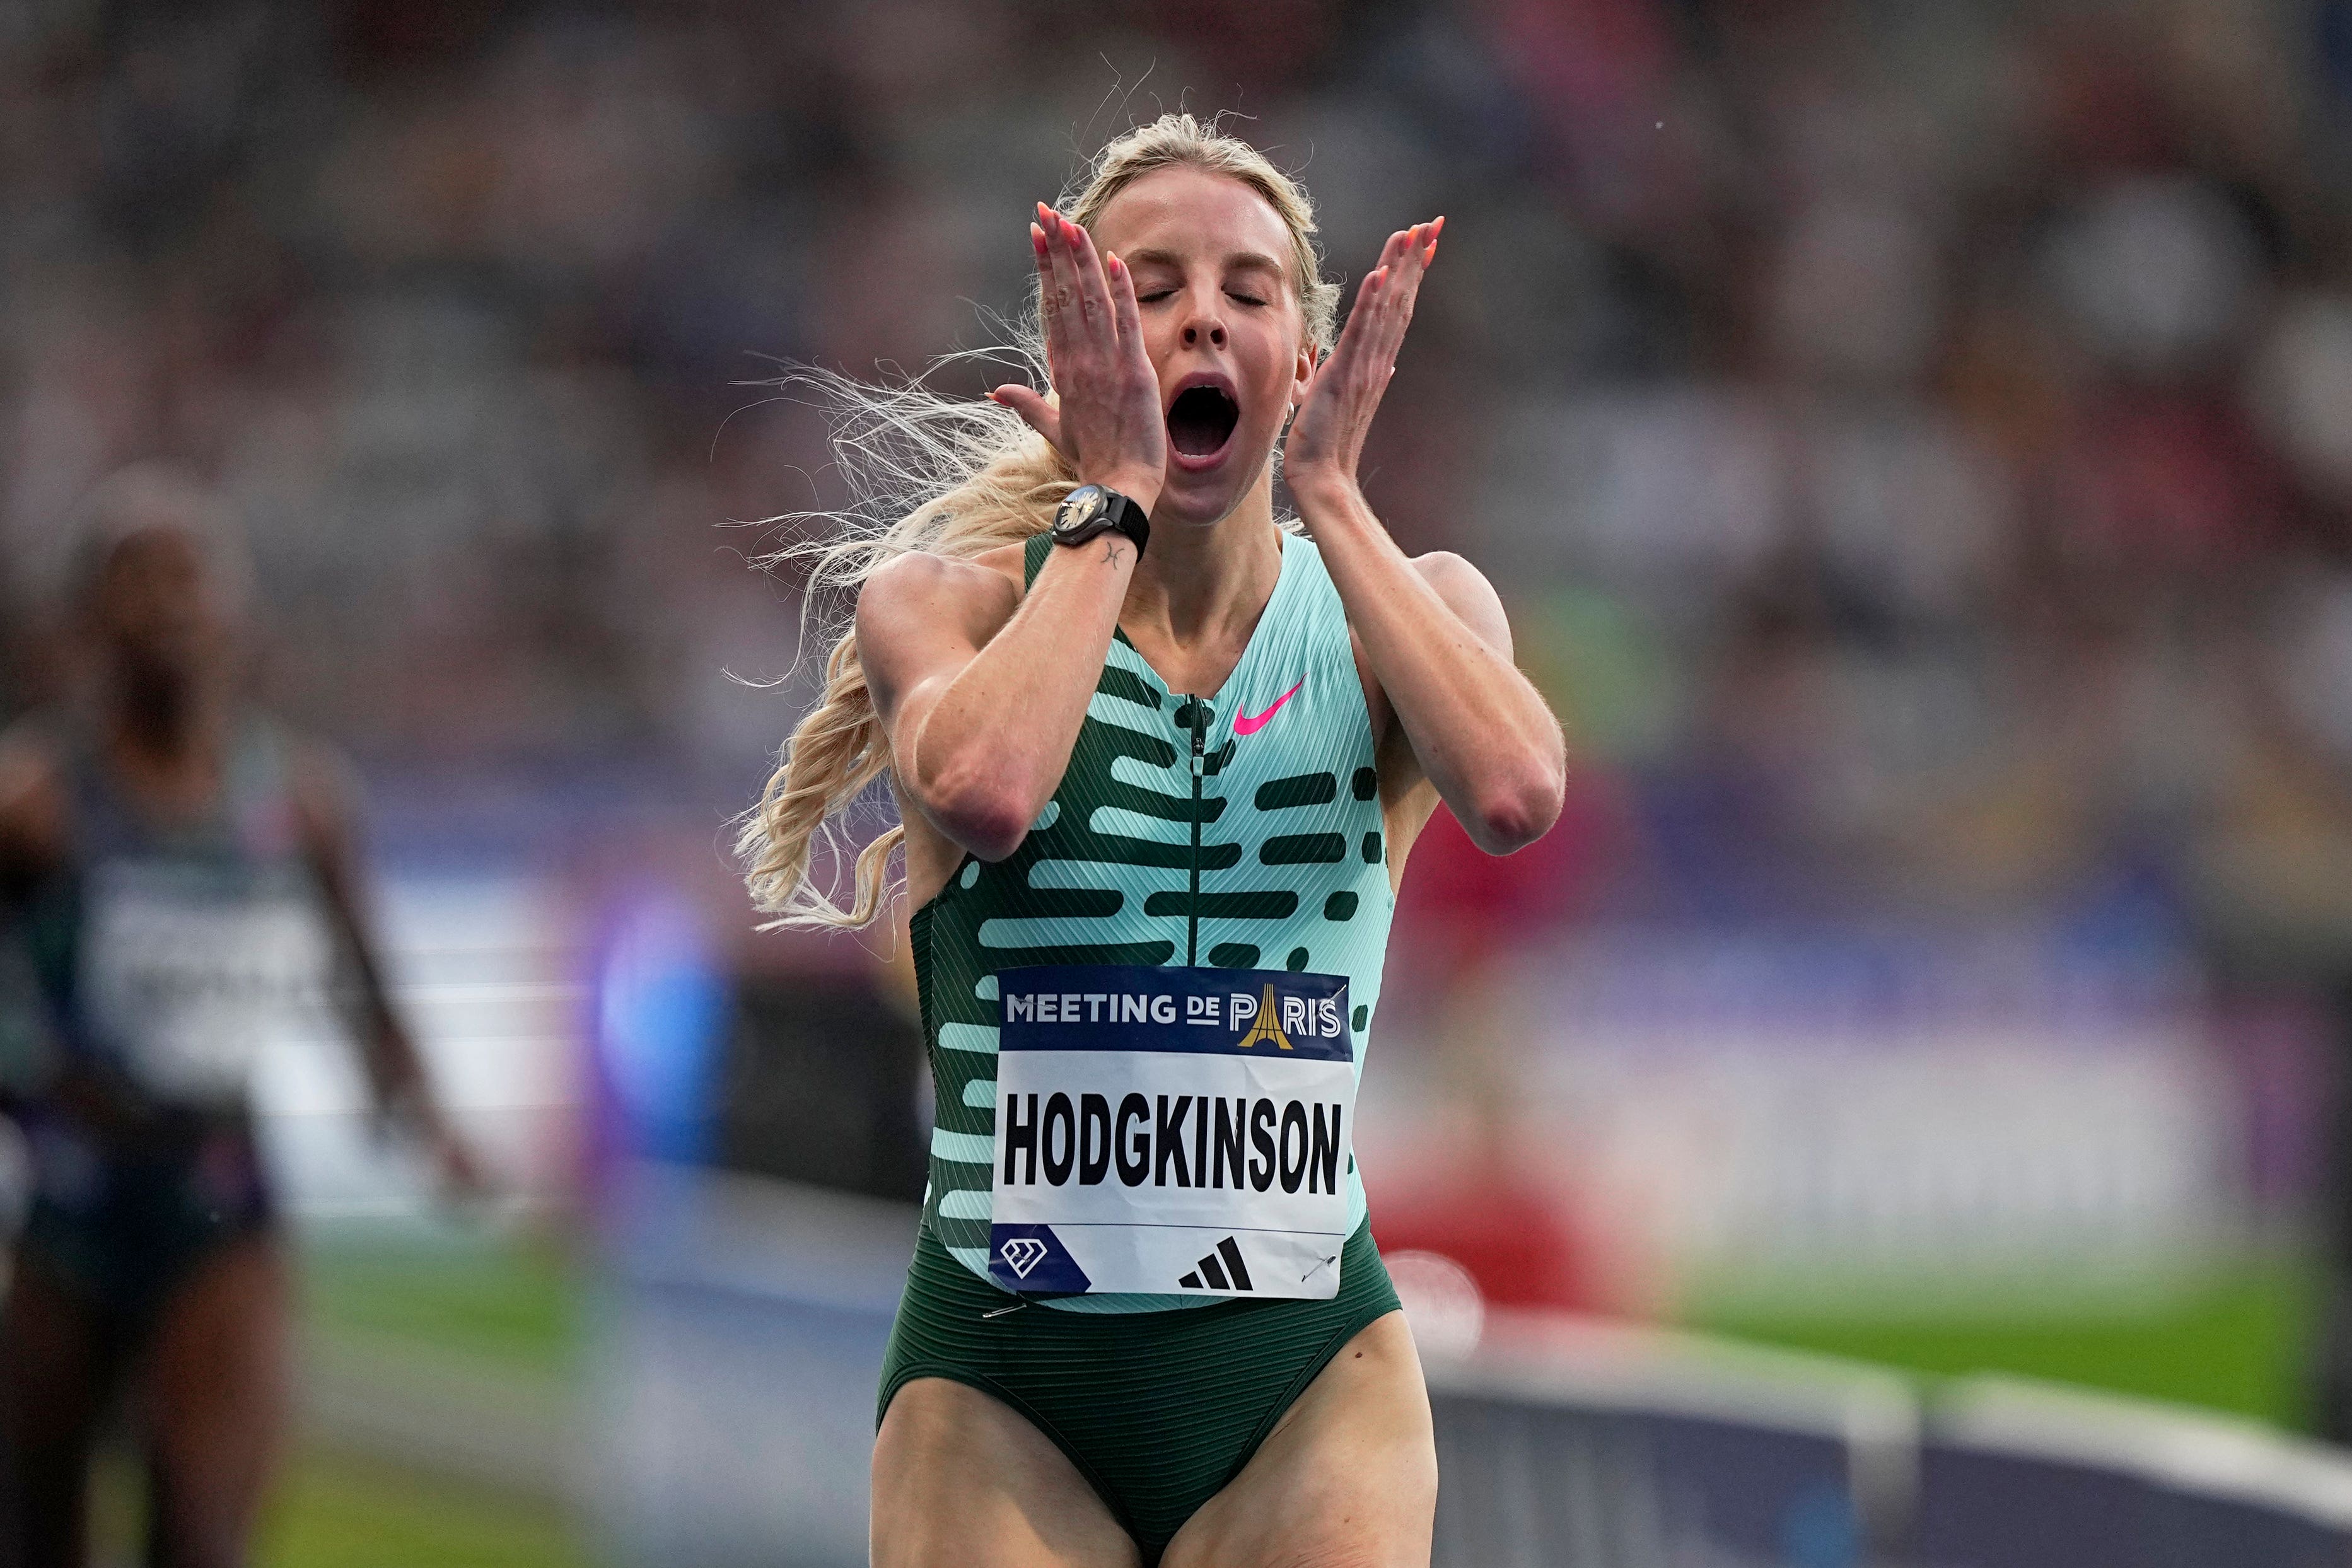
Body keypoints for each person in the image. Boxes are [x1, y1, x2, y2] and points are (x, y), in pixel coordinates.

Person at [740, 115, 1566, 1568]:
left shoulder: (1407, 610)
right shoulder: (948, 606)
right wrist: (1106, 508)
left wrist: (1329, 497)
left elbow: (1512, 793)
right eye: (1153, 287)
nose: (1201, 315)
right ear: (1079, 351)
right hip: (1004, 1385)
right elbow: (988, 788)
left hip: (1306, 1376)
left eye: (1248, 292)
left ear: (1302, 364)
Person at [0, 465, 480, 1568]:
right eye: (136, 577)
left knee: (204, 1532)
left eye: (190, 575)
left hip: (219, 1202)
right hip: (71, 1207)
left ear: (236, 610)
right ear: (85, 619)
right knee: (36, 1535)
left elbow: (362, 982)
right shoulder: (37, 802)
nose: (168, 601)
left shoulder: (296, 799)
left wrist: (418, 1112)